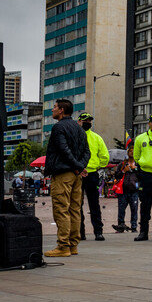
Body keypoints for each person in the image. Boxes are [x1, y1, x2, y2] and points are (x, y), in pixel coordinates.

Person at [43, 99, 90, 258]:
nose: (52, 110)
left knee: (61, 208)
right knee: (75, 209)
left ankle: (63, 246)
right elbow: (87, 153)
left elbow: (64, 150)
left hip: (63, 173)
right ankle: (72, 245)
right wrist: (80, 167)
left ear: (62, 110)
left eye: (55, 107)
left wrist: (76, 166)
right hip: (77, 175)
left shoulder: (58, 127)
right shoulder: (80, 129)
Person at [78, 112, 109, 242]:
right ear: (79, 121)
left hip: (90, 174)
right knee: (77, 205)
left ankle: (97, 231)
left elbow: (105, 157)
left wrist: (96, 166)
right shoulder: (75, 136)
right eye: (85, 120)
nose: (88, 123)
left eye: (89, 121)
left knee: (93, 204)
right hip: (78, 174)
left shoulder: (96, 138)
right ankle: (81, 232)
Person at [110, 158, 139, 233]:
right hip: (123, 191)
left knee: (134, 210)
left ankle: (134, 227)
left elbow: (141, 176)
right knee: (121, 210)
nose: (131, 152)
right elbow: (117, 176)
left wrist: (135, 169)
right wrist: (124, 171)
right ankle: (120, 226)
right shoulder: (122, 164)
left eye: (133, 150)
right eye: (130, 150)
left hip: (134, 191)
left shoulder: (138, 164)